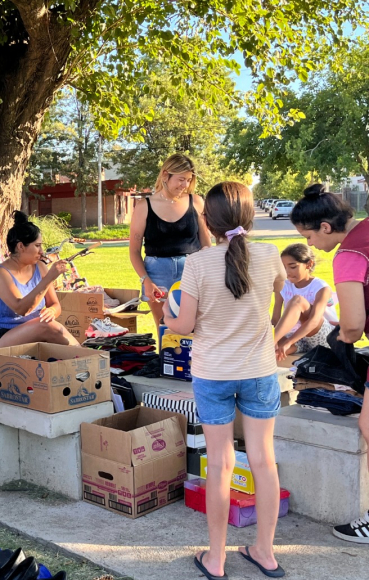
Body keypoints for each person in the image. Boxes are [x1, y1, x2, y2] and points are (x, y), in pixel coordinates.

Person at [162, 182, 286, 579]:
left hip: (213, 375)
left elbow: (182, 326)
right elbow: (278, 294)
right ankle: (265, 553)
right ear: (250, 216)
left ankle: (216, 559)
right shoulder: (270, 256)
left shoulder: (198, 264)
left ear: (207, 222)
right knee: (265, 463)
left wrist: (163, 308)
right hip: (260, 371)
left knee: (219, 466)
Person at [290, 183, 369, 544]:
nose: (311, 246)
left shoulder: (347, 253)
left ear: (325, 226)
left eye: (307, 236)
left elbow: (352, 323)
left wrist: (344, 338)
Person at [130, 153, 211, 329]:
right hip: (156, 274)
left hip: (191, 271)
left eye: (189, 180)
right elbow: (134, 251)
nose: (185, 185)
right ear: (166, 175)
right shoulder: (144, 206)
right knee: (164, 330)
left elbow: (206, 244)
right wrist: (146, 280)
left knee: (195, 330)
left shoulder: (196, 202)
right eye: (181, 179)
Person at [0, 211, 77, 349]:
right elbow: (22, 309)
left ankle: (83, 355)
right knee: (45, 326)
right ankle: (84, 357)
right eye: (37, 246)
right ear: (21, 246)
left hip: (37, 329)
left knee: (48, 327)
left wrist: (52, 311)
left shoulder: (40, 267)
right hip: (3, 337)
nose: (41, 251)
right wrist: (50, 277)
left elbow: (55, 305)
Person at [272, 243, 338, 361]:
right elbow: (275, 320)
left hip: (323, 338)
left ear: (309, 264)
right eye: (284, 267)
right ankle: (269, 345)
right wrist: (282, 341)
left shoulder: (321, 287)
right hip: (296, 338)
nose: (287, 272)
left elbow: (314, 321)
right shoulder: (283, 285)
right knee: (273, 352)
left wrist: (287, 341)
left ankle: (268, 343)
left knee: (297, 301)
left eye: (292, 267)